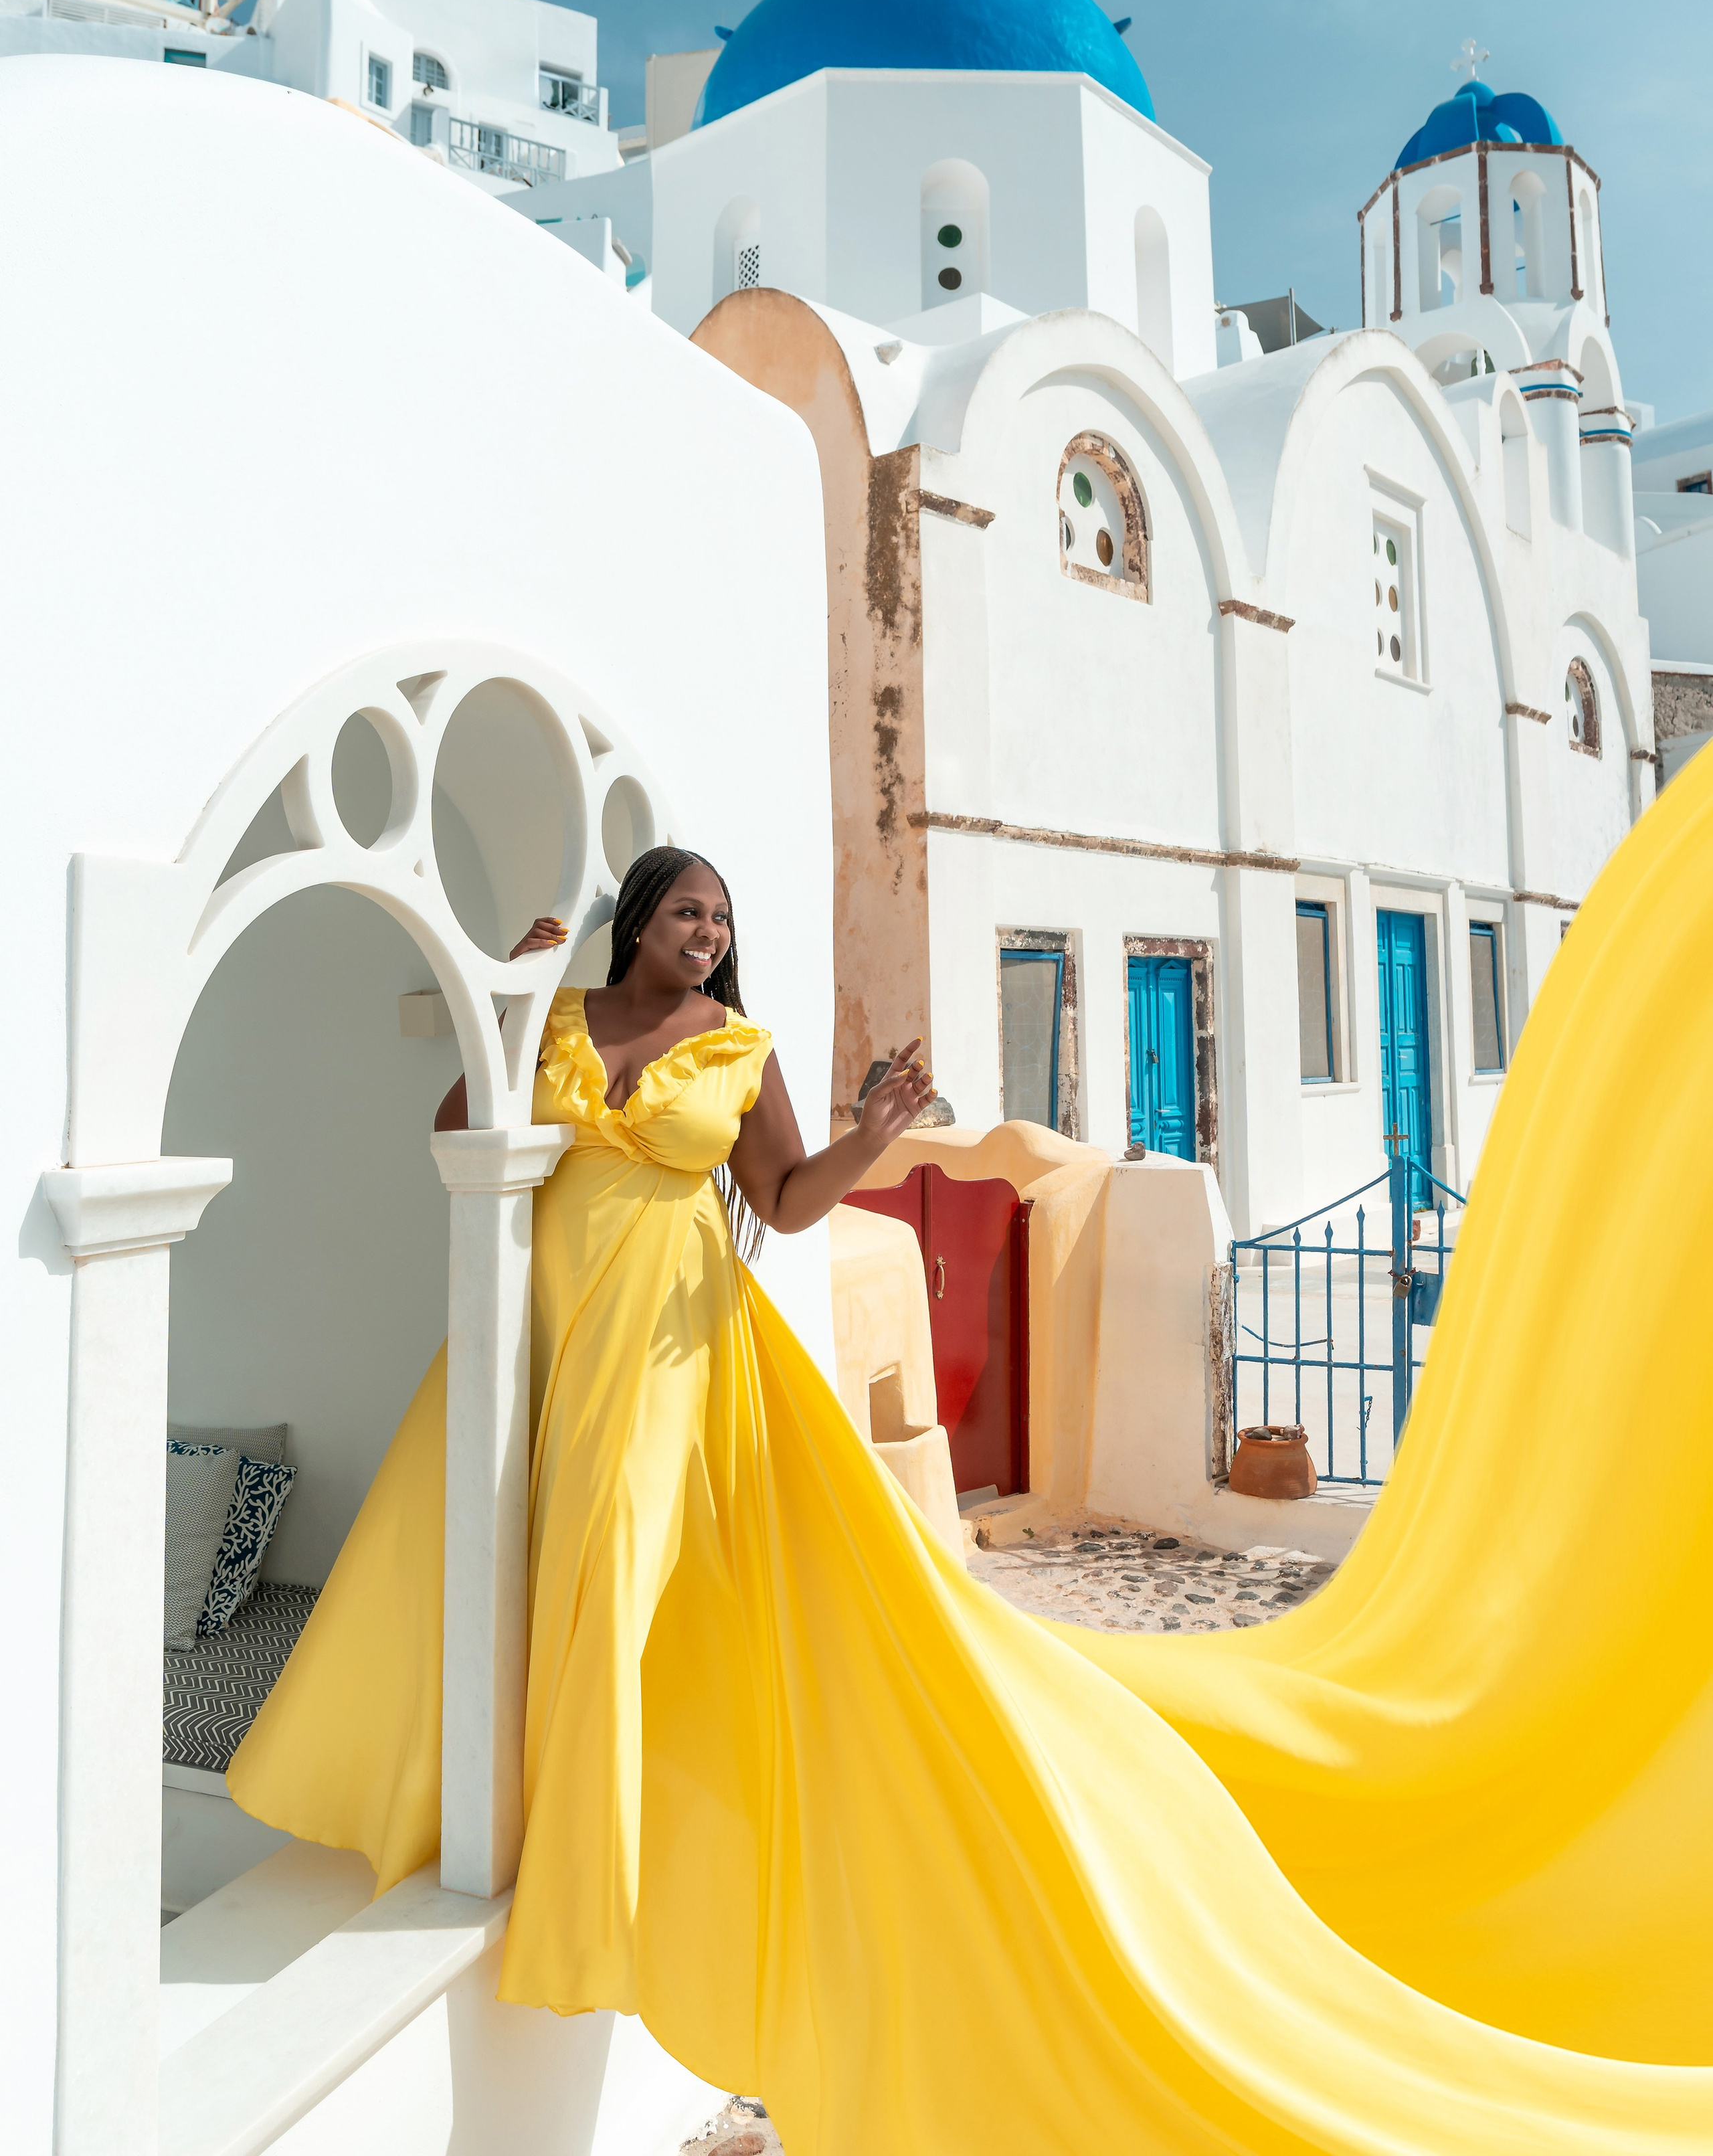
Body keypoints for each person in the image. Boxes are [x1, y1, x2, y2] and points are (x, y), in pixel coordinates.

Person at [228, 819, 1713, 2156]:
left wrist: (874, 1134)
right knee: (489, 1557)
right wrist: (505, 1004)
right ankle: (463, 1796)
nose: (708, 936)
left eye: (721, 922)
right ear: (637, 921)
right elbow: (454, 1135)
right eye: (687, 914)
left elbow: (789, 1209)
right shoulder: (560, 1018)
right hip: (544, 1336)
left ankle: (578, 1873)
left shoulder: (737, 1054)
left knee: (612, 1572)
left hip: (672, 1343)